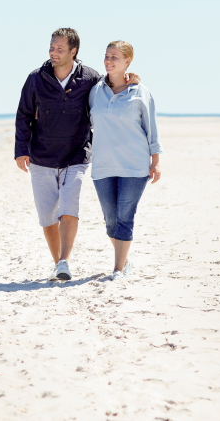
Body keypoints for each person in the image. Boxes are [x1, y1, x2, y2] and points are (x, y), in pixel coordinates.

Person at [15, 29, 139, 281]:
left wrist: (130, 80)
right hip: (42, 157)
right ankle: (59, 264)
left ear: (73, 52)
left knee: (69, 208)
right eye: (51, 47)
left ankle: (64, 260)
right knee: (47, 216)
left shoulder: (90, 78)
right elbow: (24, 115)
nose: (53, 52)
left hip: (76, 156)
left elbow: (112, 87)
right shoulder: (36, 79)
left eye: (60, 49)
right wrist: (21, 150)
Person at [88, 40, 162, 281]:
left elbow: (151, 128)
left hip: (134, 164)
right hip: (103, 164)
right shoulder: (96, 91)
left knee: (124, 217)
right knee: (110, 220)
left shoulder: (140, 92)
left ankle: (118, 269)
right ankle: (125, 258)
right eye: (106, 56)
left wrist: (156, 160)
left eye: (115, 57)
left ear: (127, 61)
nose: (108, 61)